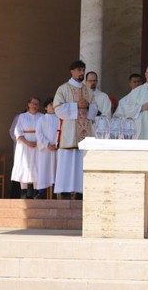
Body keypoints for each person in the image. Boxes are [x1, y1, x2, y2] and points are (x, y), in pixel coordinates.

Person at [53, 60, 96, 199]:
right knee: (67, 161)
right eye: (79, 70)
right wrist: (75, 105)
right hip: (70, 133)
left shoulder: (88, 91)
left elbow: (95, 109)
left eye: (83, 70)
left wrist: (88, 107)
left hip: (86, 133)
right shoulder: (63, 89)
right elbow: (58, 109)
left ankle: (80, 192)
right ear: (72, 71)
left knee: (81, 163)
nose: (82, 73)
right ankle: (64, 191)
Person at [11, 97, 43, 199]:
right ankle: (23, 192)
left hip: (38, 146)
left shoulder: (42, 117)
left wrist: (39, 142)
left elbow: (45, 132)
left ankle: (36, 192)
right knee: (24, 165)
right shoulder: (22, 117)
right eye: (33, 103)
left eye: (37, 104)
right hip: (24, 146)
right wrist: (27, 142)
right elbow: (17, 132)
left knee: (37, 166)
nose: (35, 105)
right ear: (28, 104)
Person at [34, 98, 59, 198]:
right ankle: (42, 192)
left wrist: (57, 144)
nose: (53, 106)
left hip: (56, 149)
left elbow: (61, 132)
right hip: (45, 150)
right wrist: (47, 144)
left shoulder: (60, 119)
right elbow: (38, 134)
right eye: (50, 105)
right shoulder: (41, 119)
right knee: (44, 169)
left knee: (56, 169)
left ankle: (57, 192)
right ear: (45, 107)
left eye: (54, 104)